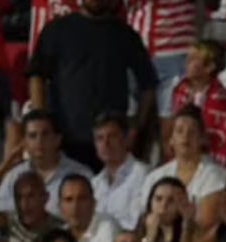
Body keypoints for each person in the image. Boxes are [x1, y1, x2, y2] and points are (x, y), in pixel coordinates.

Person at [28, 0, 158, 170]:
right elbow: (37, 76)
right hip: (65, 141)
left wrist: (136, 125)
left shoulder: (125, 34)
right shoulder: (57, 30)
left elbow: (148, 84)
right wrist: (41, 120)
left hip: (111, 143)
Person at [0, 112, 94, 219]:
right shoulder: (14, 175)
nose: (39, 141)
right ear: (24, 142)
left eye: (45, 134)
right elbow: (0, 213)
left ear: (57, 139)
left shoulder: (82, 174)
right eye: (32, 136)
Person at [92, 114, 151, 232]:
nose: (105, 143)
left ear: (126, 139)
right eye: (100, 138)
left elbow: (138, 222)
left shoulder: (143, 174)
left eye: (112, 136)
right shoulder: (94, 183)